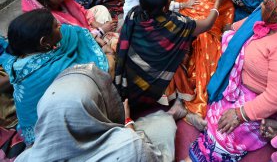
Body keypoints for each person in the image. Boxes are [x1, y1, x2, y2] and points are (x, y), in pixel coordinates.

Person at [186, 0, 277, 161]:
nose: (260, 7)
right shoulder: (269, 19)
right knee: (210, 99)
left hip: (263, 103)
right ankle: (208, 127)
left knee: (224, 134)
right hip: (240, 86)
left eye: (265, 3)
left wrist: (240, 114)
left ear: (275, 10)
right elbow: (236, 29)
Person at [15, 63, 177, 162]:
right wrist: (128, 123)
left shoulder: (25, 158)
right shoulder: (129, 145)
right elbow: (151, 157)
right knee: (164, 124)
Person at [2, 9, 109, 145]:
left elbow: (71, 32)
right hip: (54, 133)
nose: (61, 25)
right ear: (44, 42)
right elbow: (93, 72)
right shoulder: (47, 71)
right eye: (55, 26)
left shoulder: (23, 57)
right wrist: (107, 53)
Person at [115, 0, 227, 109]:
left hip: (132, 71)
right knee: (188, 58)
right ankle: (175, 100)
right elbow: (207, 24)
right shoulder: (175, 24)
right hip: (150, 81)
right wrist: (218, 2)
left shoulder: (134, 13)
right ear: (164, 8)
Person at [174, 0, 238, 129]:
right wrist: (182, 8)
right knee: (177, 41)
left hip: (208, 26)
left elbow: (225, 15)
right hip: (186, 16)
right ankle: (180, 100)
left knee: (207, 46)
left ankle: (193, 107)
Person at [22, 0, 119, 52]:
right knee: (113, 41)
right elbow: (71, 42)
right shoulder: (48, 23)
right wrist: (101, 30)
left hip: (86, 29)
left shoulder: (64, 0)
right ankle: (106, 40)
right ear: (44, 2)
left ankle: (106, 37)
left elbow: (82, 11)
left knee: (100, 9)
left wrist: (94, 23)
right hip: (77, 44)